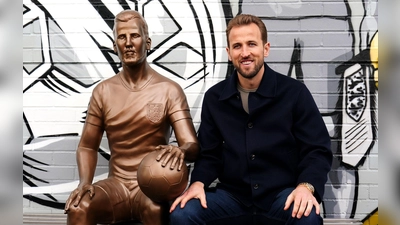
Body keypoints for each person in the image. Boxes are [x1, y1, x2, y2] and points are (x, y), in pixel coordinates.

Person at [169, 14, 332, 225]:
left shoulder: (294, 93)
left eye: (251, 44)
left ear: (266, 48)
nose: (245, 53)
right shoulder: (215, 98)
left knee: (308, 217)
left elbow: (317, 149)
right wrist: (198, 183)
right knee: (182, 214)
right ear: (229, 53)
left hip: (281, 197)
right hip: (232, 198)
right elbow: (210, 154)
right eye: (237, 46)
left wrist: (306, 187)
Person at [63, 10, 199, 225]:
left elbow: (192, 145)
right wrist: (84, 183)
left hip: (151, 188)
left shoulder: (169, 90)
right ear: (114, 46)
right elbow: (87, 146)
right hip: (116, 186)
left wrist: (180, 150)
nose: (128, 43)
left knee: (154, 208)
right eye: (121, 37)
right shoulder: (103, 92)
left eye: (134, 36)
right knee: (79, 207)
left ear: (148, 42)